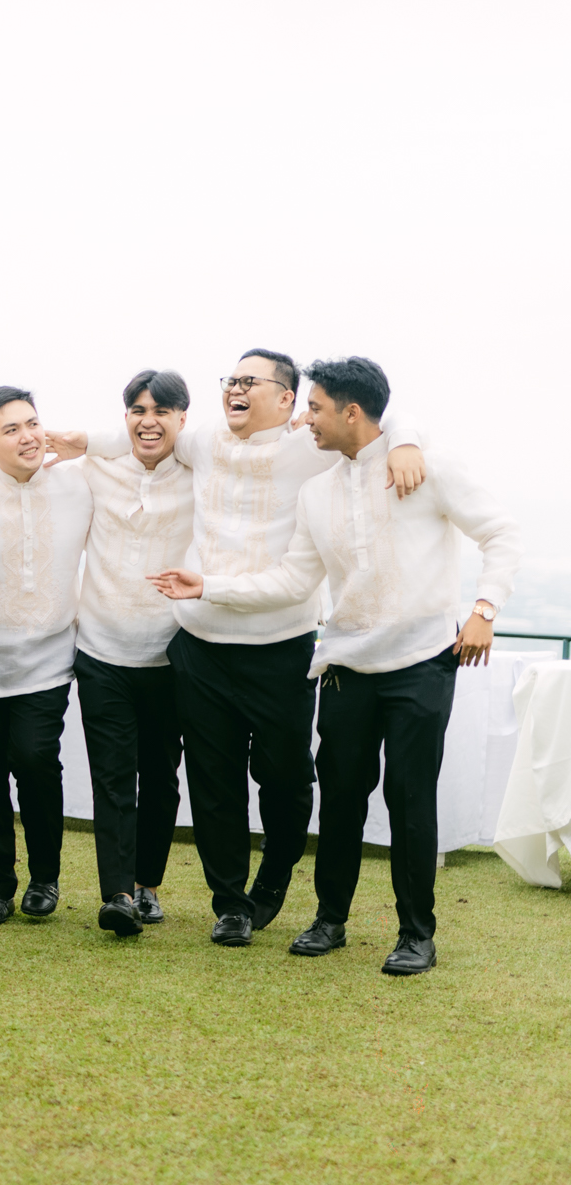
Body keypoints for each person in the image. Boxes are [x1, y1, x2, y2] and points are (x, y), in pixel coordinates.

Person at [151, 357, 518, 975]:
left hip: (421, 663)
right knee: (341, 798)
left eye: (315, 408)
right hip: (345, 666)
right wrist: (208, 586)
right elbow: (295, 579)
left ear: (351, 412)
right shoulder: (316, 491)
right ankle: (330, 920)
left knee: (409, 799)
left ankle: (416, 934)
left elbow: (501, 533)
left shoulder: (424, 466)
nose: (306, 420)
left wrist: (484, 609)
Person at [55, 349, 425, 946]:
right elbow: (149, 430)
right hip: (200, 646)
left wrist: (406, 441)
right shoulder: (203, 441)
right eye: (231, 379)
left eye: (250, 381)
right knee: (213, 784)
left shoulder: (310, 446)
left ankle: (272, 881)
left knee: (286, 781)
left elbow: (378, 421)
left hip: (281, 647)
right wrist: (81, 440)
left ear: (287, 399)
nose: (235, 389)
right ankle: (229, 903)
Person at [0, 387, 92, 926]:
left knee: (35, 761)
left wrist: (85, 443)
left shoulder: (79, 483)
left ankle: (45, 878)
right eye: (11, 429)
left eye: (33, 423)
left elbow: (138, 455)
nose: (29, 436)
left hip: (47, 658)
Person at [61, 371, 194, 936]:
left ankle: (148, 886)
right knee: (112, 775)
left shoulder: (200, 472)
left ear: (183, 419)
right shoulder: (97, 469)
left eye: (162, 410)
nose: (148, 421)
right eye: (138, 410)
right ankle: (116, 893)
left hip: (171, 654)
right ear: (125, 418)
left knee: (161, 778)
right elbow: (37, 474)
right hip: (101, 650)